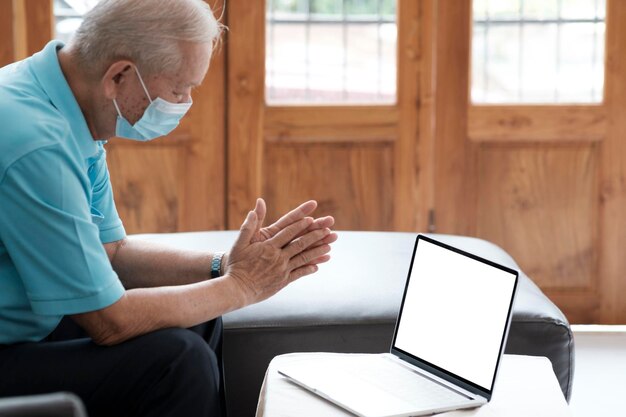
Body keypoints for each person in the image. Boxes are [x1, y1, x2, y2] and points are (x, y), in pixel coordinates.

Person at [0, 1, 337, 416]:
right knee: (179, 361)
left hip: (23, 327)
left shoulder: (63, 101)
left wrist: (224, 265)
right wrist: (242, 285)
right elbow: (110, 321)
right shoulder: (38, 143)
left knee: (198, 313)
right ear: (119, 76)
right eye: (179, 89)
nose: (185, 102)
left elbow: (113, 253)